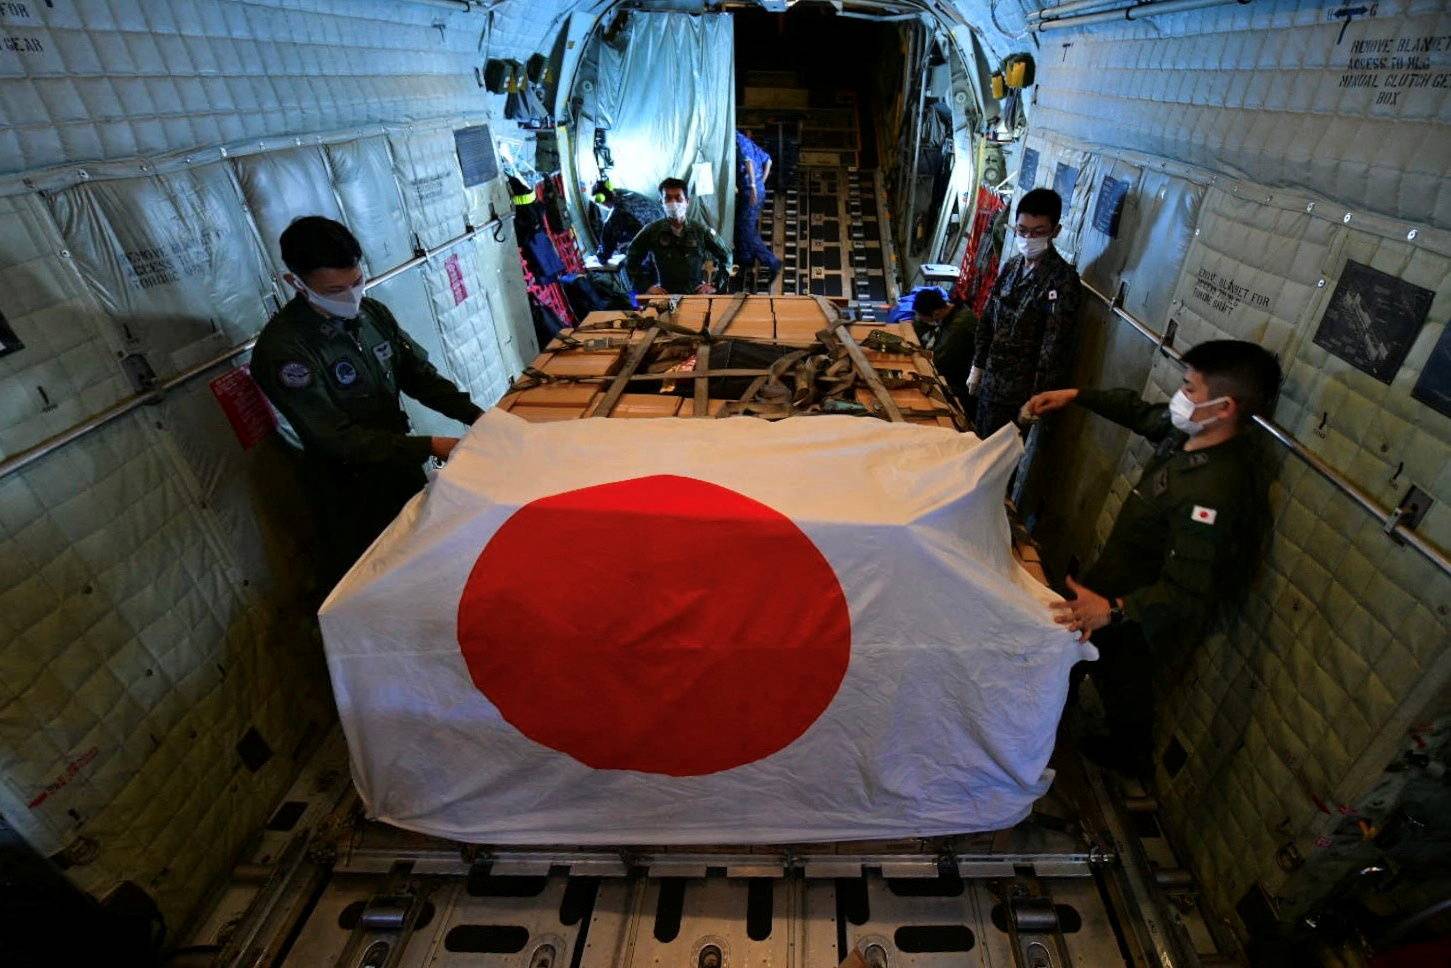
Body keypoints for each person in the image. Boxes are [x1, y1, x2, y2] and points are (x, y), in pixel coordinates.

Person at [1024, 339, 1283, 774]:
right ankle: (1058, 729)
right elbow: (1142, 412)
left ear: (1224, 408)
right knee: (1089, 668)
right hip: (1109, 585)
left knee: (1122, 679)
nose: (1180, 397)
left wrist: (1114, 611)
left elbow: (1187, 591)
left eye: (1190, 388)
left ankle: (1119, 758)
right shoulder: (1190, 430)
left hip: (1134, 610)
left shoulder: (1213, 491)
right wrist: (1076, 396)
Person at [252, 216, 483, 581]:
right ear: (295, 283)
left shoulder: (371, 314)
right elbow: (336, 438)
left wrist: (478, 417)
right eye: (333, 290)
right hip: (351, 492)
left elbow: (418, 377)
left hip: (399, 466)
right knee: (383, 577)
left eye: (356, 281)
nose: (351, 295)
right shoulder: (286, 351)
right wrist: (431, 444)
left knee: (424, 558)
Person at [969, 187, 1081, 434]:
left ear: (1056, 231)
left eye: (1038, 232)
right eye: (1022, 231)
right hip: (991, 385)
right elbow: (988, 317)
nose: (1028, 238)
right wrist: (978, 366)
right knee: (977, 450)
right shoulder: (1012, 266)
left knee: (1000, 464)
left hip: (1019, 399)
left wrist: (1036, 400)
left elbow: (1053, 348)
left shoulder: (1061, 280)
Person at [625, 177, 733, 296]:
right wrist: (646, 287)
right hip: (664, 295)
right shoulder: (652, 231)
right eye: (668, 199)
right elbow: (631, 259)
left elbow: (726, 256)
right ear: (661, 202)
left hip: (695, 295)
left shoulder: (700, 230)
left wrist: (714, 285)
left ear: (687, 202)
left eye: (678, 198)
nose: (673, 203)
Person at [910, 287, 977, 408]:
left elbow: (939, 362)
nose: (920, 320)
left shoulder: (958, 327)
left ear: (935, 314)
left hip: (962, 382)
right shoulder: (952, 310)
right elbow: (917, 324)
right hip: (958, 370)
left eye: (923, 318)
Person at [734, 130, 782, 291]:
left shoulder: (738, 140)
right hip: (757, 189)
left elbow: (748, 161)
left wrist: (754, 185)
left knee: (745, 229)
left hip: (750, 190)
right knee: (745, 226)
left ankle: (771, 261)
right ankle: (745, 259)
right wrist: (762, 181)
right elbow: (768, 160)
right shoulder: (751, 144)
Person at [591, 178, 665, 262]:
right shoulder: (624, 193)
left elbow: (605, 251)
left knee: (624, 248)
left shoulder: (616, 215)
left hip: (658, 243)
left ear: (602, 201)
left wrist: (600, 257)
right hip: (665, 222)